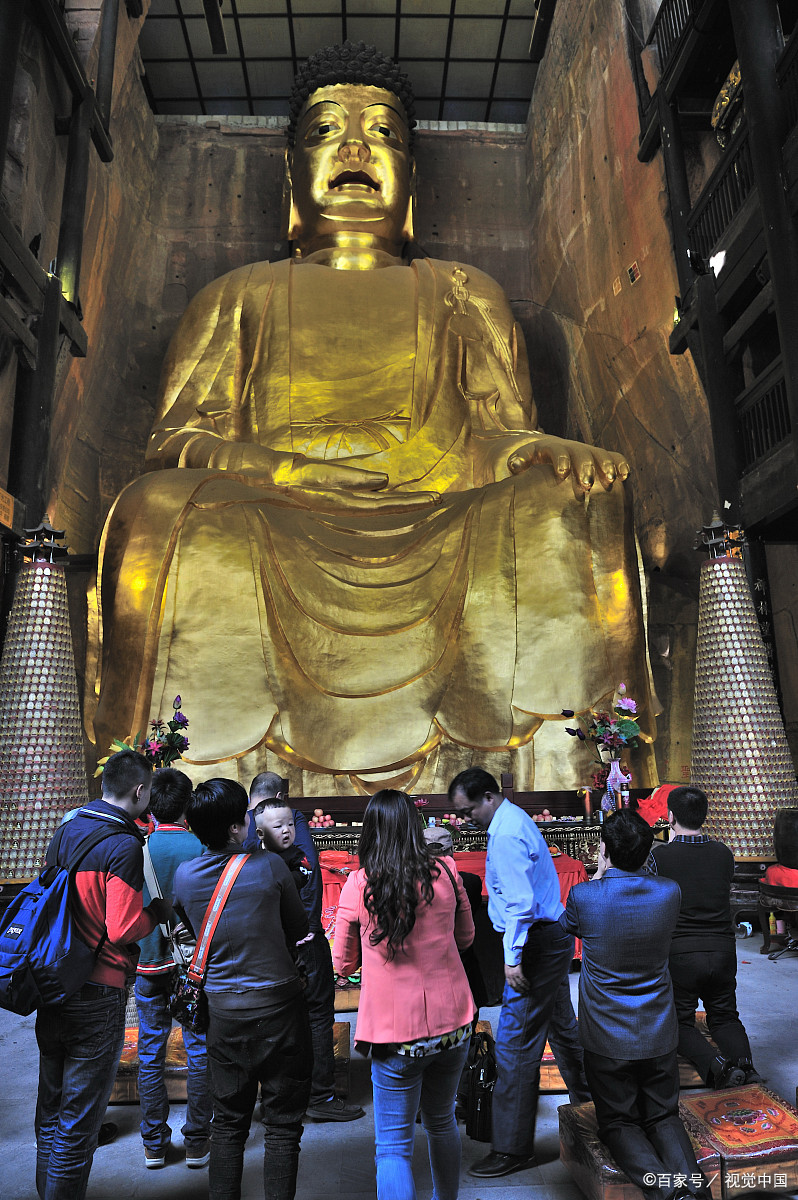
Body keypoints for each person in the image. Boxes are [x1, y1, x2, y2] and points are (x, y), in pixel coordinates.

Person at [93, 39, 655, 798]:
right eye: (326, 132)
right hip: (278, 507)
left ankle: (570, 772)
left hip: (439, 507)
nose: (356, 147)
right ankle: (178, 779)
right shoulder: (239, 294)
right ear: (289, 174)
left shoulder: (462, 291)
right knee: (154, 509)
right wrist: (291, 470)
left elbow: (492, 433)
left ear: (411, 180)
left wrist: (535, 448)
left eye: (383, 134)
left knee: (574, 500)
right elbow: (178, 441)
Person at [34, 749, 171, 1200]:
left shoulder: (66, 830)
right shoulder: (123, 845)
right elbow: (124, 927)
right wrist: (158, 913)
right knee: (79, 1120)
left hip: (53, 980)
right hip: (99, 987)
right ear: (140, 791)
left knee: (52, 1108)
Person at [332, 789, 476, 1200]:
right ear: (416, 826)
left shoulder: (360, 883)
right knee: (442, 1121)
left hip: (397, 1035)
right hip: (454, 1025)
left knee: (393, 1147)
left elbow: (341, 963)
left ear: (370, 832)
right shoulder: (446, 871)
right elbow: (466, 939)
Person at [448, 767, 590, 1179]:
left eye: (468, 809)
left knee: (514, 1044)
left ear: (489, 797)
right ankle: (596, 1110)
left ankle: (512, 1149)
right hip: (552, 938)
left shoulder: (506, 833)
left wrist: (512, 958)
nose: (464, 818)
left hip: (534, 946)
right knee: (564, 1030)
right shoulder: (510, 819)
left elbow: (520, 905)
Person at [173, 778, 311, 1200]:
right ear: (237, 828)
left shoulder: (184, 876)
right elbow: (299, 929)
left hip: (224, 1015)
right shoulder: (270, 867)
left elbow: (188, 928)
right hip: (280, 1009)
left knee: (229, 1124)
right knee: (283, 1125)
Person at [561, 809, 709, 1200]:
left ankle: (666, 1192)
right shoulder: (669, 891)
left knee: (618, 1122)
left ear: (604, 849)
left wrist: (600, 874)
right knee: (662, 1115)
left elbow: (567, 927)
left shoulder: (584, 896)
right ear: (647, 852)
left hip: (605, 1032)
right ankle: (694, 1190)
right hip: (659, 1027)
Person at [244, 770, 364, 1121]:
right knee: (316, 1014)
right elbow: (309, 885)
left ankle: (274, 1099)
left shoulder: (241, 830)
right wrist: (309, 934)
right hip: (299, 943)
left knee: (273, 1021)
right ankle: (320, 1096)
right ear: (280, 797)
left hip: (262, 947)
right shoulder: (289, 822)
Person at [650, 785, 759, 1086]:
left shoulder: (662, 858)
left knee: (680, 1021)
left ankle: (718, 1067)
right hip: (723, 950)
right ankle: (748, 1068)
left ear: (670, 816)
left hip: (682, 953)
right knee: (724, 1016)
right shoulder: (723, 854)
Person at [135, 767, 212, 1168]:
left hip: (148, 965)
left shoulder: (139, 849)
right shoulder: (200, 848)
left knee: (151, 1052)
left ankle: (153, 1144)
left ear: (150, 806)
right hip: (192, 968)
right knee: (199, 1050)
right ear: (188, 807)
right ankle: (197, 1141)